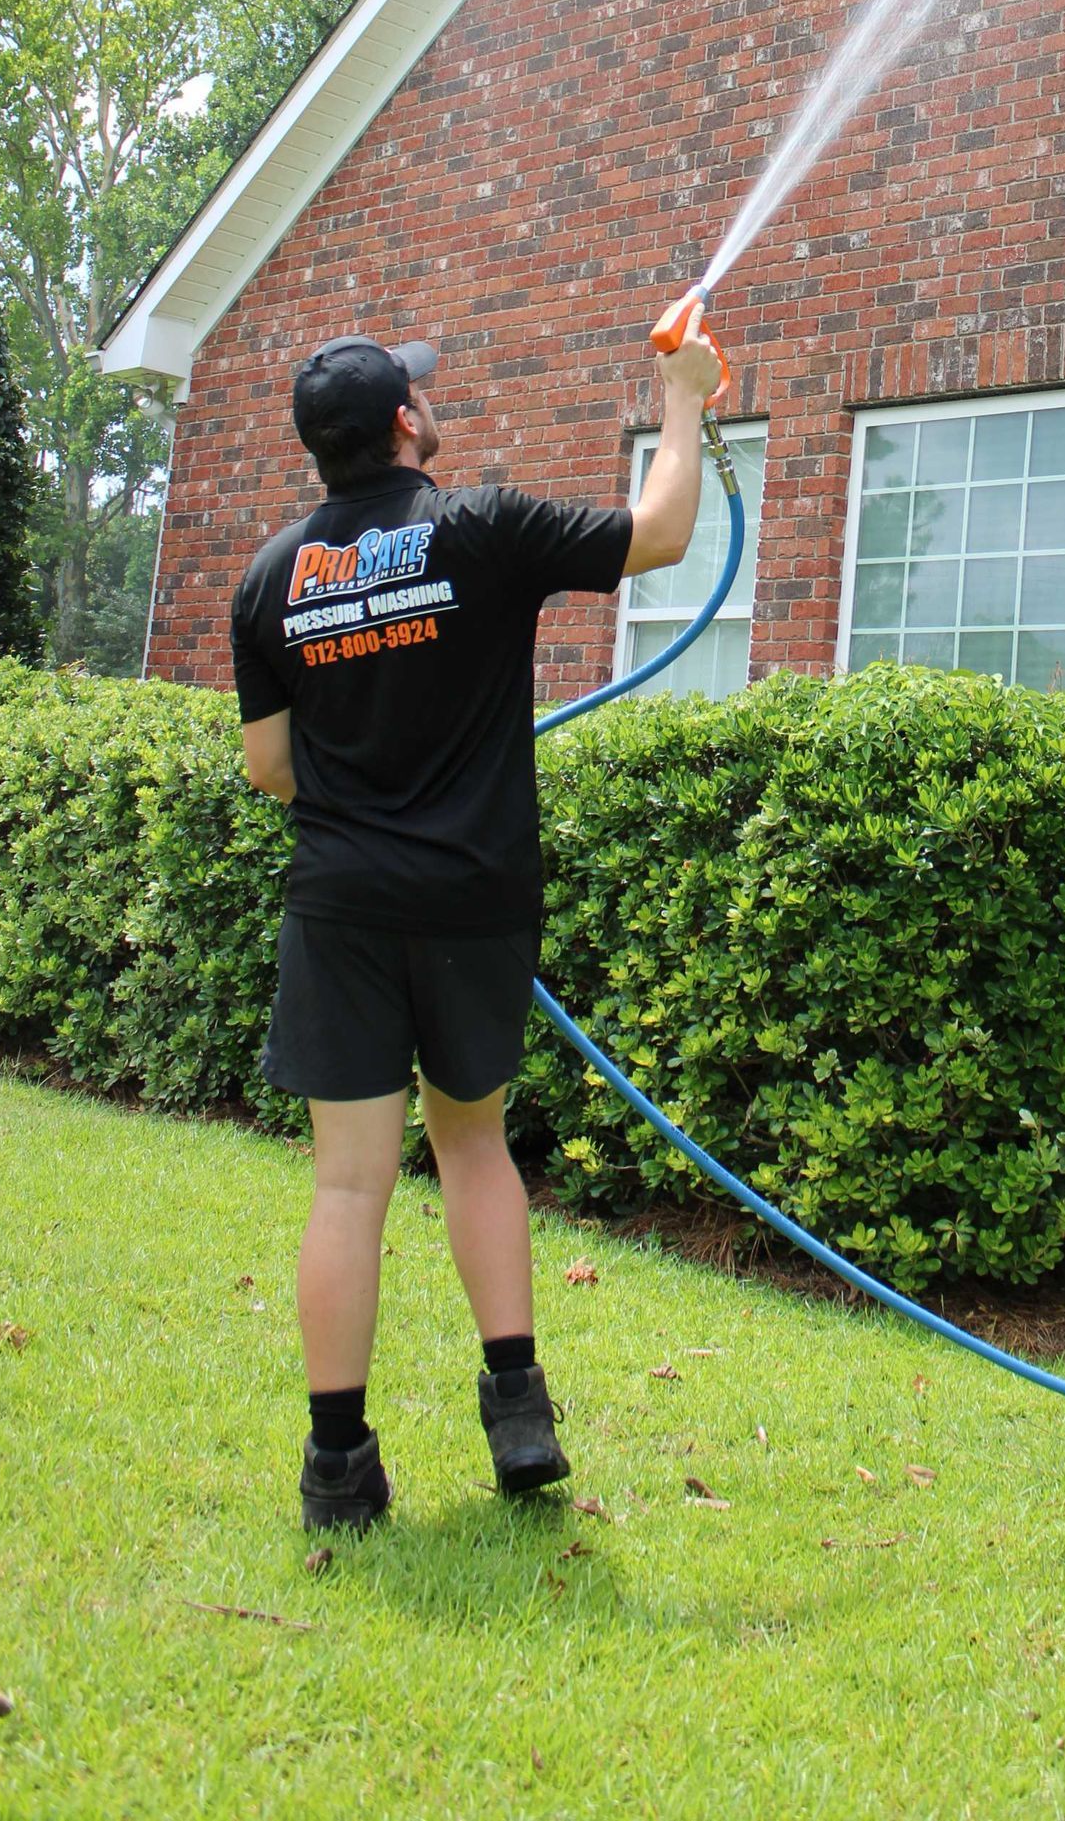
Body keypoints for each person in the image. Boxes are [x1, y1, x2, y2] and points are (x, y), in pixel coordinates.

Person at [231, 313, 724, 1533]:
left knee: (348, 1187)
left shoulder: (267, 579)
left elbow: (267, 768)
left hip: (341, 903)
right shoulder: (482, 529)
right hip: (476, 901)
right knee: (473, 1145)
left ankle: (337, 1469)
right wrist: (684, 396)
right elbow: (660, 533)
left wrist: (364, 785)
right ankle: (519, 1413)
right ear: (407, 420)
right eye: (420, 394)